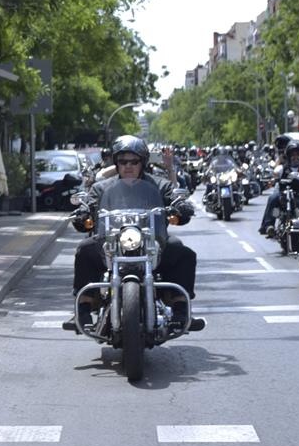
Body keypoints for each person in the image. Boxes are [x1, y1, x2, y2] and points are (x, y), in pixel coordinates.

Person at [67, 135, 200, 332]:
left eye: (134, 161)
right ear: (116, 162)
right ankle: (83, 308)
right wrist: (83, 214)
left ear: (143, 162)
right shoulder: (101, 188)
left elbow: (174, 198)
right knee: (85, 250)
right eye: (123, 161)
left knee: (183, 252)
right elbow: (89, 208)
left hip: (153, 242)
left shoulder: (159, 185)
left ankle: (181, 308)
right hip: (111, 242)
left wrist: (181, 206)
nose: (128, 166)